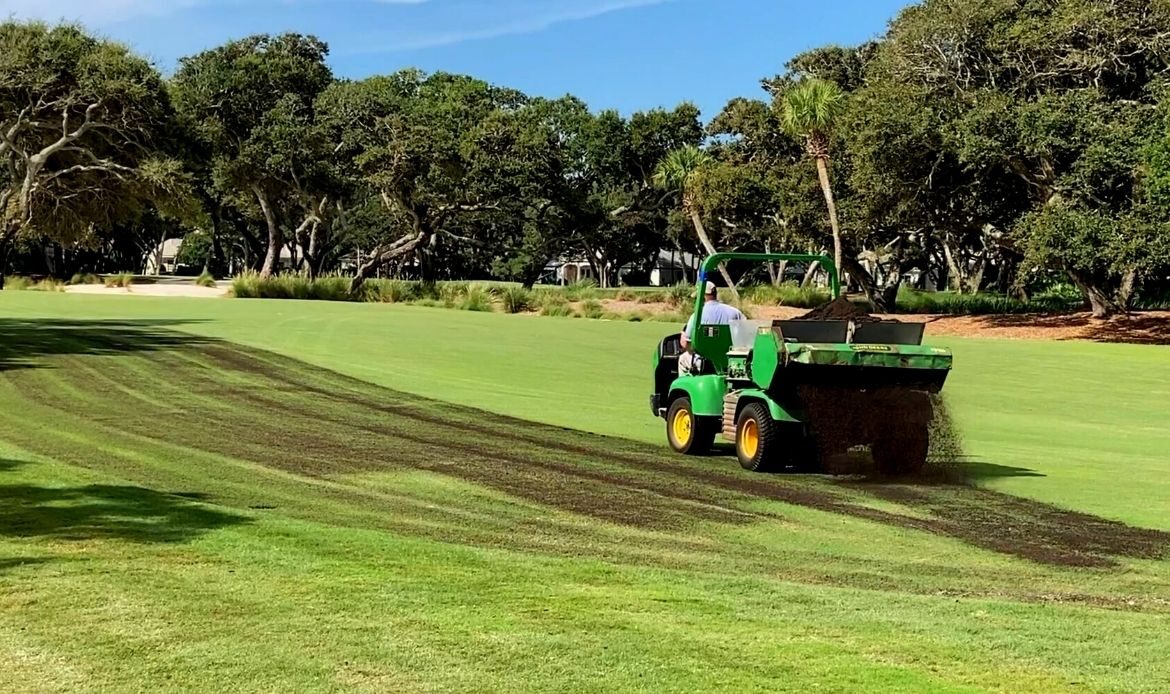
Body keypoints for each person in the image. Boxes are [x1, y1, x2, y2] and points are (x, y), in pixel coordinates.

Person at [678, 281, 744, 375]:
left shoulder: (696, 316)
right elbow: (745, 335)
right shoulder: (735, 313)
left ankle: (682, 388)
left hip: (704, 363)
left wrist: (683, 337)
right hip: (730, 361)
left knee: (683, 359)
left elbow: (685, 344)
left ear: (703, 297)